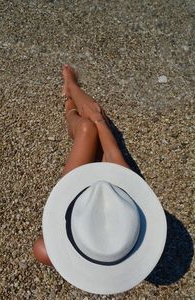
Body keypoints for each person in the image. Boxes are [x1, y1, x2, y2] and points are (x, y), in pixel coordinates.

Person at [33, 64, 130, 266]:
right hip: (107, 184)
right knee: (92, 124)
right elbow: (113, 153)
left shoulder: (113, 235)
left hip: (78, 199)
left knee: (86, 128)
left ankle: (70, 102)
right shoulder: (127, 203)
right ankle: (71, 89)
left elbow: (43, 248)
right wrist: (98, 119)